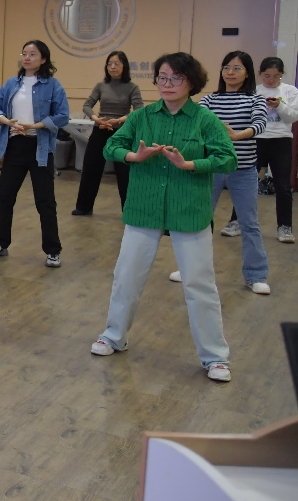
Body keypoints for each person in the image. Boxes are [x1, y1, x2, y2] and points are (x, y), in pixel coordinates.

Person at [91, 53, 237, 382]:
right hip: (144, 208)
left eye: (176, 78)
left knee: (199, 284)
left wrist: (190, 164)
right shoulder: (142, 116)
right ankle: (114, 336)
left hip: (189, 211)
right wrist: (134, 155)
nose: (167, 84)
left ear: (192, 82)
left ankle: (215, 356)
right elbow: (111, 146)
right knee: (126, 276)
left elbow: (227, 158)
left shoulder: (204, 119)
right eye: (162, 77)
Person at [169, 51, 270, 294]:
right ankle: (188, 268)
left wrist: (237, 135)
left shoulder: (255, 100)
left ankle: (256, 275)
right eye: (226, 68)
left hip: (243, 169)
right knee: (199, 220)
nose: (230, 72)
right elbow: (195, 122)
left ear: (247, 73)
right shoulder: (210, 100)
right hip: (211, 168)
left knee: (249, 223)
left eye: (237, 68)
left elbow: (260, 124)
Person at [0, 39, 70, 266]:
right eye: (24, 53)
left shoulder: (53, 85)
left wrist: (37, 125)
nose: (27, 58)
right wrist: (5, 120)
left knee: (45, 201)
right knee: (5, 197)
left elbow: (63, 115)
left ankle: (53, 250)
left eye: (32, 54)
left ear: (43, 59)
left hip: (40, 148)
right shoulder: (11, 84)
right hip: (14, 146)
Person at [222, 56, 298, 243]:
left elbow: (293, 117)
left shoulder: (290, 91)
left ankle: (285, 227)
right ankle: (235, 222)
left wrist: (279, 105)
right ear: (260, 74)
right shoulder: (253, 91)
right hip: (256, 139)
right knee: (245, 182)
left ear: (281, 75)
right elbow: (244, 116)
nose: (271, 80)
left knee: (283, 185)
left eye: (276, 76)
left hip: (281, 140)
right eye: (267, 76)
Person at [72, 51, 143, 216]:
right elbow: (87, 105)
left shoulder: (132, 87)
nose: (112, 67)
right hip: (100, 129)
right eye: (109, 63)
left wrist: (120, 120)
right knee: (91, 168)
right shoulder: (101, 86)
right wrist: (96, 119)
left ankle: (129, 211)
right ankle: (84, 207)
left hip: (122, 132)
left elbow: (139, 110)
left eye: (116, 63)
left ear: (124, 66)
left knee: (124, 172)